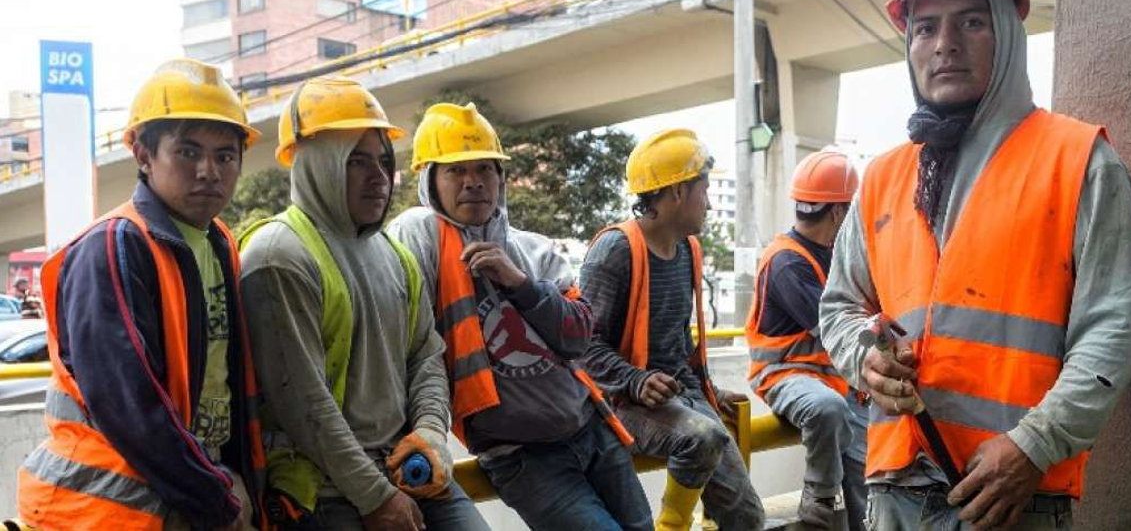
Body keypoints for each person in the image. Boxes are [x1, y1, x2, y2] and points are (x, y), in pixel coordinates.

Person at [818, 0, 1131, 531]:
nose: (944, 43)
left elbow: (1117, 326)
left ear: (1007, 31)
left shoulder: (1079, 163)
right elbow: (839, 304)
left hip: (1013, 497)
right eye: (925, 27)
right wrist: (864, 358)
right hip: (893, 491)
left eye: (970, 21)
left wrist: (1033, 446)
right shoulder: (887, 177)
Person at [17, 58, 265, 530]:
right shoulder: (113, 246)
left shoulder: (218, 242)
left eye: (225, 155)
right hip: (103, 511)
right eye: (188, 152)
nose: (209, 171)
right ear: (144, 155)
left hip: (181, 496)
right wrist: (218, 499)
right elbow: (131, 406)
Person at [387, 102, 652, 531]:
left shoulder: (533, 250)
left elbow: (580, 335)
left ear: (501, 179)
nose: (473, 182)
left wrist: (520, 284)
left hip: (591, 431)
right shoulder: (422, 241)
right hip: (522, 458)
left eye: (486, 169)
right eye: (456, 171)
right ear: (430, 182)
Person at [239, 79, 488, 531]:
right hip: (325, 486)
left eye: (382, 160)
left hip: (405, 466)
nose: (378, 176)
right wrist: (374, 497)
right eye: (355, 161)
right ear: (314, 164)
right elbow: (303, 402)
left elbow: (426, 355)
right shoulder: (279, 256)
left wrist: (431, 432)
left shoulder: (395, 256)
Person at [581, 129, 764, 531]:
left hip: (677, 394)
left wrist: (709, 392)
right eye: (704, 191)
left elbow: (678, 342)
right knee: (700, 436)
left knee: (747, 516)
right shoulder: (615, 251)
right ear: (678, 192)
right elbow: (582, 347)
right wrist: (636, 380)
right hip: (620, 401)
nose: (710, 204)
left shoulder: (688, 249)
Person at [744, 150, 867, 531]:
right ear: (837, 212)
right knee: (827, 409)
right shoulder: (787, 262)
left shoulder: (832, 254)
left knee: (872, 471)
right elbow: (835, 328)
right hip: (785, 374)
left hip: (834, 380)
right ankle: (820, 501)